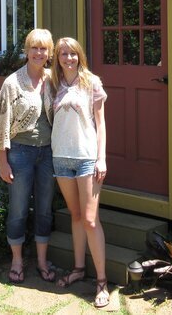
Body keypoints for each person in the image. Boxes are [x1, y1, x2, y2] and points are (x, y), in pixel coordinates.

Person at [0, 28, 56, 284]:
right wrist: (2, 162)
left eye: (43, 48)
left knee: (44, 209)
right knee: (18, 209)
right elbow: (1, 124)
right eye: (34, 48)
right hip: (20, 154)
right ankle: (17, 260)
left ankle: (41, 260)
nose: (39, 53)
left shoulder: (53, 80)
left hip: (48, 153)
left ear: (49, 53)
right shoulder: (13, 83)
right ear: (26, 51)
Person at [50, 37, 109, 308]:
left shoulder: (91, 82)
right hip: (61, 158)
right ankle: (78, 269)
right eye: (63, 54)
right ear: (57, 58)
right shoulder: (54, 83)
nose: (68, 58)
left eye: (72, 53)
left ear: (80, 56)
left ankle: (102, 281)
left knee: (90, 219)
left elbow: (101, 123)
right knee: (75, 215)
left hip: (87, 158)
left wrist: (101, 158)